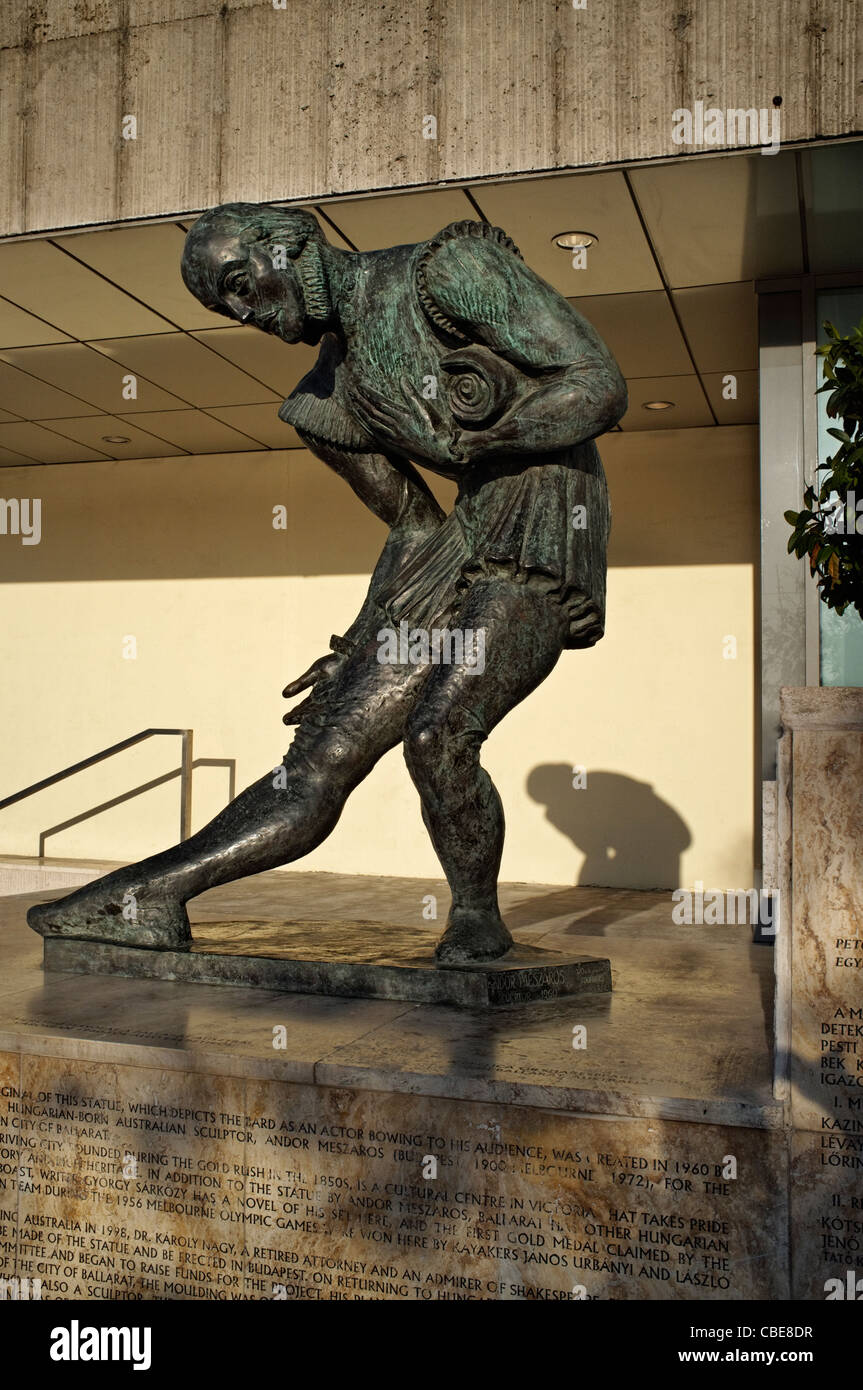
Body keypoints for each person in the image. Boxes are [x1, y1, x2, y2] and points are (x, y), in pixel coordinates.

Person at [28, 204, 626, 964]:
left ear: (290, 241)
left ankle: (476, 918)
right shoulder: (324, 403)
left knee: (438, 733)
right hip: (458, 541)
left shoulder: (445, 275)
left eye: (242, 284)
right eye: (227, 306)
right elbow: (412, 526)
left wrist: (483, 439)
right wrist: (359, 644)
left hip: (540, 516)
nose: (246, 313)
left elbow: (597, 385)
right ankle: (146, 893)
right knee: (318, 757)